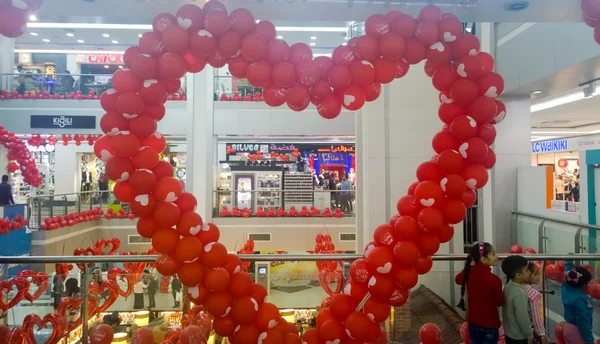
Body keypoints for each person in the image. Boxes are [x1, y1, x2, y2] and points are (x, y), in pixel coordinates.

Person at [455, 242, 503, 344]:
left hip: (473, 323)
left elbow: (458, 279)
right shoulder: (494, 280)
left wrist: (468, 268)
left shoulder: (469, 272)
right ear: (484, 259)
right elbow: (500, 302)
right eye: (493, 254)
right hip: (490, 324)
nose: (497, 257)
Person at [501, 255, 533, 344]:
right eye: (527, 270)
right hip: (519, 337)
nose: (530, 272)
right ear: (518, 275)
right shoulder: (519, 293)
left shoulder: (507, 287)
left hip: (509, 333)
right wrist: (529, 335)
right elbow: (523, 317)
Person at [561, 261, 594, 344]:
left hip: (568, 328)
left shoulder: (565, 288)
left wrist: (569, 262)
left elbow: (568, 274)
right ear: (583, 285)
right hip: (577, 331)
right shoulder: (580, 299)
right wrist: (589, 340)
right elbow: (582, 320)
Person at [523, 263, 547, 344]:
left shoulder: (516, 288)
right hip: (530, 333)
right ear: (527, 274)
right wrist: (542, 334)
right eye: (535, 274)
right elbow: (535, 317)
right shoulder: (532, 294)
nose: (538, 277)